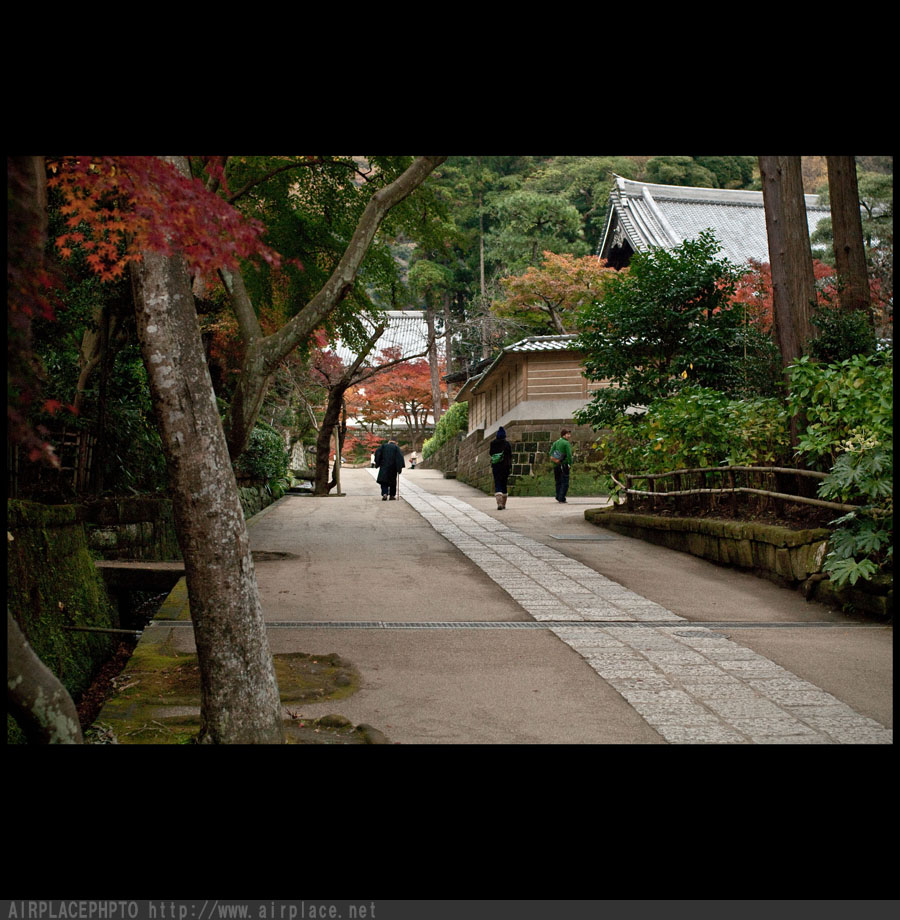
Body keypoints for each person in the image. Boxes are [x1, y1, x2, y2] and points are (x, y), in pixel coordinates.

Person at [489, 426, 513, 510]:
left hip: (496, 466)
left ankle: (498, 503)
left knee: (497, 483)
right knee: (504, 484)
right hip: (505, 467)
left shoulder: (493, 443)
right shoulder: (507, 444)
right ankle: (503, 504)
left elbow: (491, 453)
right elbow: (510, 455)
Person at [375, 436, 405, 501]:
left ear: (389, 441)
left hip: (384, 467)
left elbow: (377, 453)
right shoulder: (396, 448)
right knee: (392, 482)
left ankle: (384, 493)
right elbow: (399, 458)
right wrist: (399, 468)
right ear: (396, 442)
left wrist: (378, 463)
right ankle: (391, 496)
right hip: (393, 468)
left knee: (384, 481)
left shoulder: (383, 446)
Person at [550, 427, 573, 503]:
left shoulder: (556, 442)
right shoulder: (566, 443)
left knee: (558, 481)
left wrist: (556, 460)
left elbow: (550, 453)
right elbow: (569, 455)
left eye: (569, 434)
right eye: (567, 434)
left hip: (556, 465)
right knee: (565, 482)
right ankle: (561, 497)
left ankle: (558, 496)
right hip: (564, 464)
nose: (569, 436)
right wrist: (570, 463)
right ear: (563, 435)